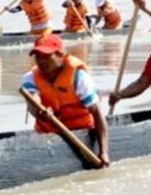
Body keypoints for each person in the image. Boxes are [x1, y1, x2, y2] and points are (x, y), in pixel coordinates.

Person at [21, 33, 109, 166]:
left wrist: (103, 152)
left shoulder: (79, 78)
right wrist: (41, 113)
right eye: (38, 56)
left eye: (46, 56)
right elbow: (33, 101)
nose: (41, 61)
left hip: (81, 131)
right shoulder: (30, 78)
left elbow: (97, 114)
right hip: (48, 134)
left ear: (60, 55)